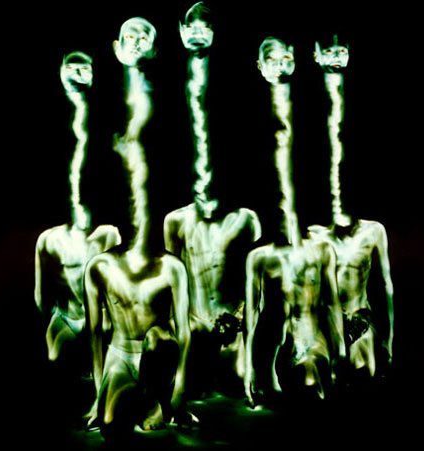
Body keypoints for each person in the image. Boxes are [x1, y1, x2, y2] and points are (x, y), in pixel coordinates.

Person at [84, 18, 193, 437]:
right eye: (129, 36)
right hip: (119, 354)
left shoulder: (170, 267)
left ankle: (161, 397)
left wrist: (179, 394)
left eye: (144, 36)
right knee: (113, 424)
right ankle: (137, 397)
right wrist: (97, 394)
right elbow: (96, 335)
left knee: (160, 339)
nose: (136, 41)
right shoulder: (101, 266)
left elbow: (183, 334)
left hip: (155, 349)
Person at [163, 2, 262, 398]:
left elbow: (257, 282)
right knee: (187, 387)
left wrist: (238, 318)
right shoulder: (176, 221)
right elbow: (172, 280)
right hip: (194, 322)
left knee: (242, 382)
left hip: (231, 323)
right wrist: (185, 322)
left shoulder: (244, 219)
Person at [244, 37, 346, 407]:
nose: (280, 64)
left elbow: (332, 302)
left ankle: (314, 367)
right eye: (271, 59)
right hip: (274, 232)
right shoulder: (255, 115)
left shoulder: (308, 111)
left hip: (303, 231)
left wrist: (340, 352)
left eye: (287, 56)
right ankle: (268, 371)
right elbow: (253, 309)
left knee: (309, 383)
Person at [309, 34, 394, 380]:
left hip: (360, 317)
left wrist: (388, 339)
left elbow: (386, 286)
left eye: (340, 51)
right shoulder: (317, 236)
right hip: (325, 321)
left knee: (363, 373)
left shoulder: (373, 232)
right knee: (317, 376)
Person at [34, 51, 121, 364]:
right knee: (57, 357)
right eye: (71, 67)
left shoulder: (101, 118)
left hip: (100, 315)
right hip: (66, 312)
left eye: (84, 68)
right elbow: (42, 295)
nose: (77, 73)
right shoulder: (50, 239)